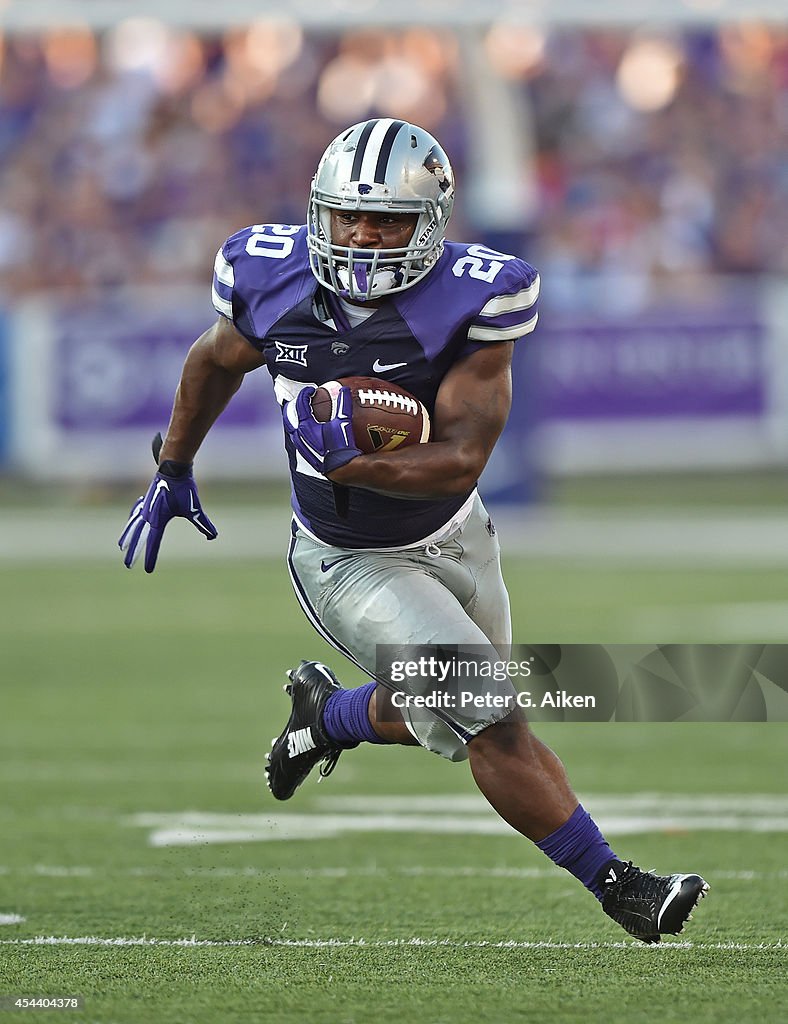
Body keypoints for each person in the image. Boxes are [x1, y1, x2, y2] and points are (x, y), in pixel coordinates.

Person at [119, 117, 708, 943]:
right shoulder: (269, 275)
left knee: (463, 709)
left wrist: (351, 462)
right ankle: (621, 886)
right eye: (347, 216)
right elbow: (215, 358)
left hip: (457, 530)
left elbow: (463, 457)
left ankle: (327, 718)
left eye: (388, 219)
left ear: (429, 224)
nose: (362, 236)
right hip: (347, 558)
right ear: (318, 212)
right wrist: (173, 466)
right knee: (493, 721)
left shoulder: (476, 296)